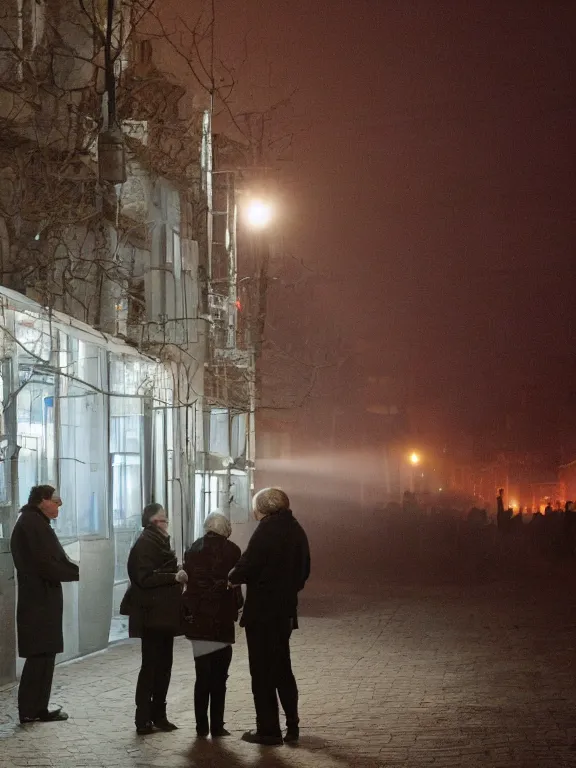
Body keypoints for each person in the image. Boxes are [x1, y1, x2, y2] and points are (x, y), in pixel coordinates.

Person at [229, 488, 310, 746]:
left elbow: (248, 564)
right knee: (283, 668)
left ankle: (268, 729)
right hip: (285, 610)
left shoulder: (265, 530)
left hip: (262, 612)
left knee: (262, 672)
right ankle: (293, 724)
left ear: (262, 508)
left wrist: (233, 577)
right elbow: (304, 570)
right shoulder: (296, 529)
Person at [10, 485, 79, 724]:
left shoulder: (35, 522)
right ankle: (30, 710)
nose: (59, 505)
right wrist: (77, 571)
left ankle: (38, 707)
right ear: (42, 500)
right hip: (38, 601)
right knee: (39, 654)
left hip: (41, 599)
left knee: (45, 653)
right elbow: (47, 563)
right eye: (56, 501)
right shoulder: (32, 524)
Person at [120, 503, 187, 735]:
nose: (166, 523)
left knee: (163, 666)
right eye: (162, 519)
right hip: (152, 615)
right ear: (151, 522)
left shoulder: (157, 541)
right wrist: (173, 576)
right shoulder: (146, 543)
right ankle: (143, 718)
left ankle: (159, 715)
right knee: (151, 666)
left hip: (162, 615)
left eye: (165, 519)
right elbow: (144, 578)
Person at [183, 512, 242, 739]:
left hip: (199, 621)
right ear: (225, 528)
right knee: (220, 677)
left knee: (202, 676)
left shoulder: (193, 549)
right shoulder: (233, 551)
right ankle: (217, 725)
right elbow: (236, 582)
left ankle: (201, 726)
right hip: (222, 620)